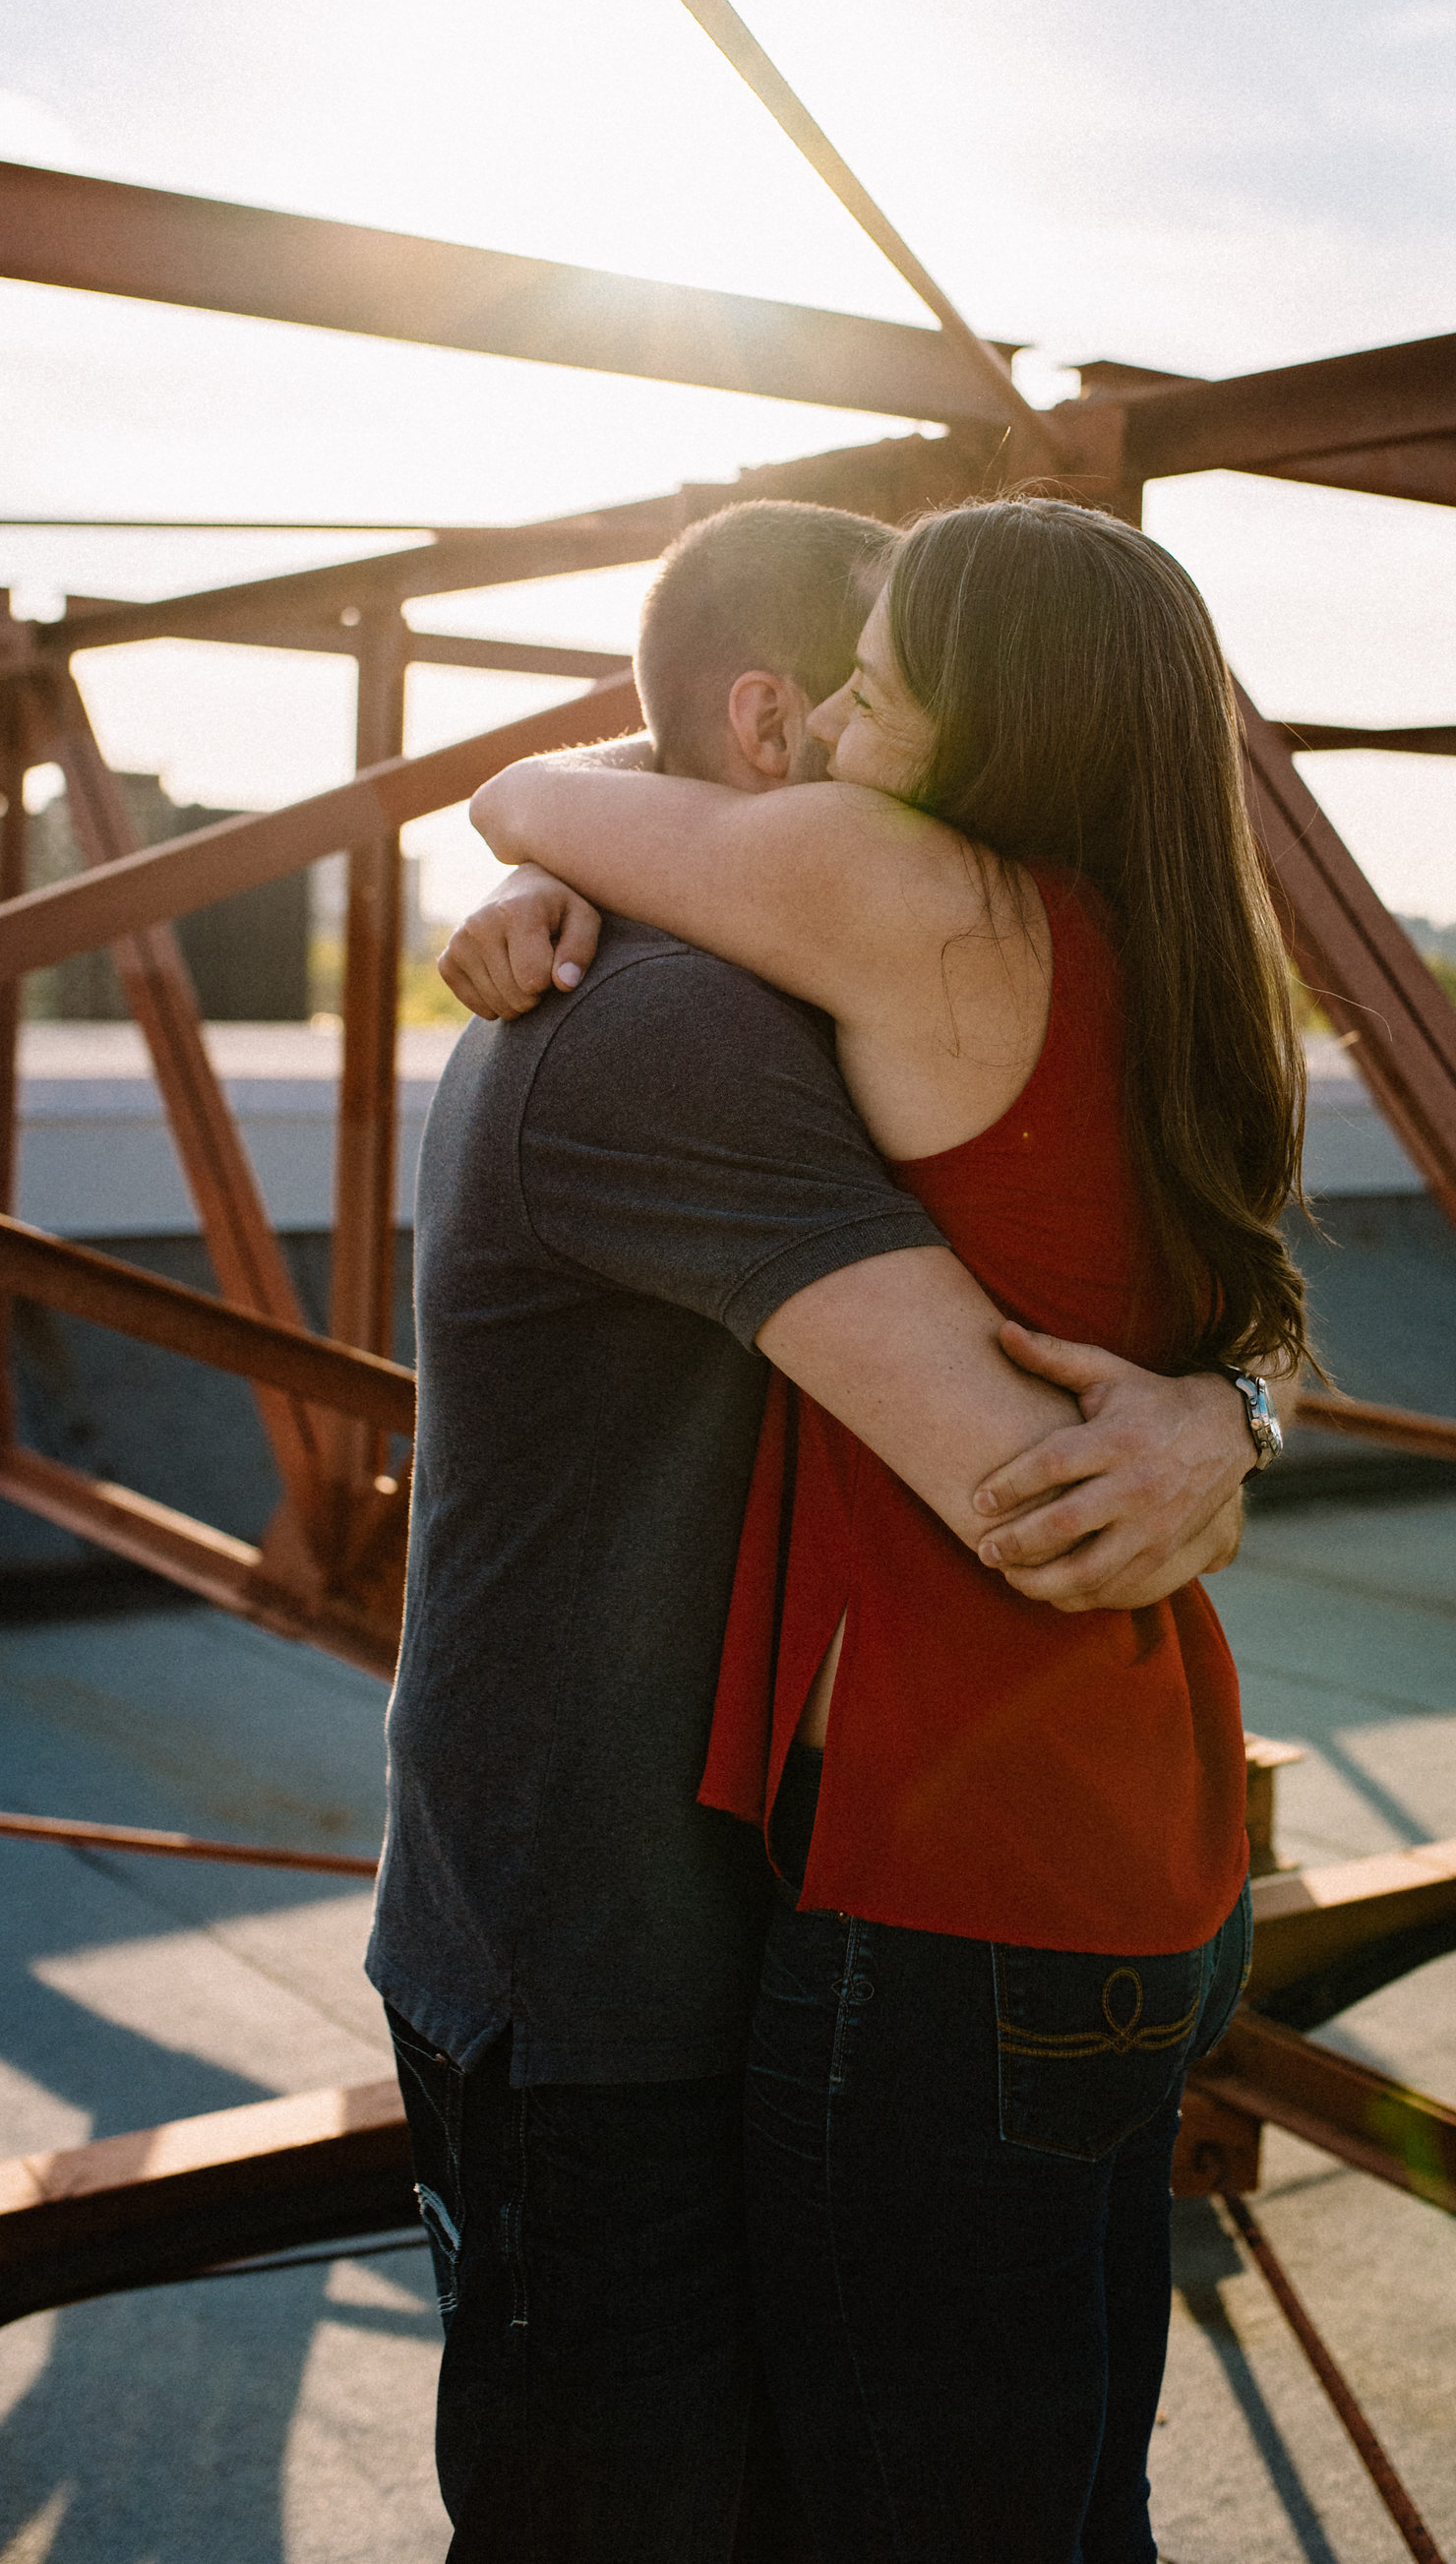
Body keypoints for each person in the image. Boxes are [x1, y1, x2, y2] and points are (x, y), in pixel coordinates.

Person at [372, 498, 1265, 2564]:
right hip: (608, 1950)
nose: (887, 723)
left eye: (909, 681)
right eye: (858, 684)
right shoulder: (677, 1017)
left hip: (826, 1897)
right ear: (774, 724)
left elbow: (1040, 1445)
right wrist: (1225, 1413)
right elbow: (1032, 1445)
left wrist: (1220, 1417)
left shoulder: (847, 953)